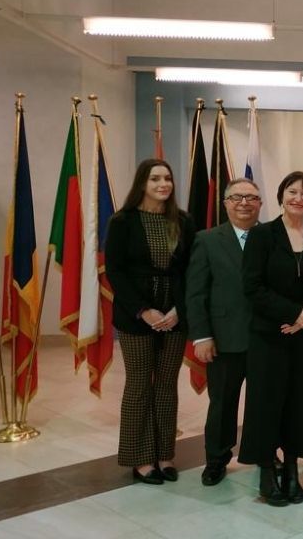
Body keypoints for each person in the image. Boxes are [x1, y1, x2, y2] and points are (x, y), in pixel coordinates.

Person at [239, 171, 303, 507]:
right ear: (281, 196)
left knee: (301, 403)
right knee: (267, 403)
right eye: (292, 191)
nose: (299, 198)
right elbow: (252, 287)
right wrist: (292, 313)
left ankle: (292, 470)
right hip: (269, 335)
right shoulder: (262, 236)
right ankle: (268, 470)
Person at [106, 159, 195, 485]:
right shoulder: (123, 221)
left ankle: (164, 454)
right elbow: (115, 270)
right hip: (136, 316)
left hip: (174, 315)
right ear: (142, 182)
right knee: (140, 384)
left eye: (168, 178)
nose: (163, 184)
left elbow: (189, 270)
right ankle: (140, 458)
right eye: (155, 178)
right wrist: (144, 310)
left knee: (167, 387)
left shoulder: (183, 221)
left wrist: (178, 309)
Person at [186, 178, 262, 486]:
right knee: (222, 404)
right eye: (237, 197)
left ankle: (263, 453)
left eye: (251, 197)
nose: (244, 203)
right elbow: (195, 292)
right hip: (223, 338)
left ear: (260, 203)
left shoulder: (271, 236)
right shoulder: (206, 239)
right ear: (225, 203)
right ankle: (216, 458)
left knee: (263, 402)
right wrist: (201, 336)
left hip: (264, 338)